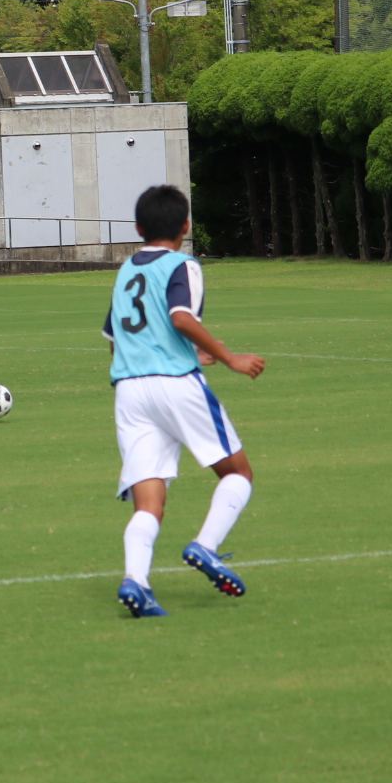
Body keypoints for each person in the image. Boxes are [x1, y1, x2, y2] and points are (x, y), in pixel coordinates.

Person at [106, 185, 265, 619]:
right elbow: (180, 316)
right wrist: (229, 357)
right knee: (237, 472)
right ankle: (205, 546)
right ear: (187, 227)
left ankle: (135, 580)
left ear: (138, 228)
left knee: (149, 502)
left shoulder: (125, 271)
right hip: (175, 385)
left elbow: (118, 338)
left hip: (130, 391)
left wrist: (183, 355)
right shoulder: (184, 265)